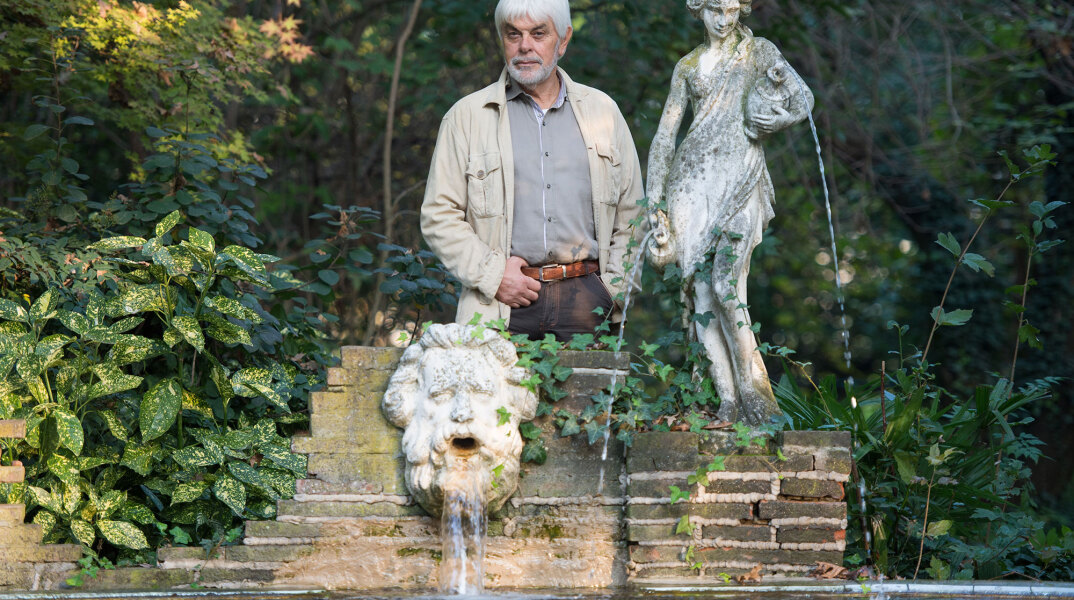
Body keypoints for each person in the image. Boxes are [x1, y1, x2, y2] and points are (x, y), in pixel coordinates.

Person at [420, 0, 644, 341]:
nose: (525, 46)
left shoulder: (603, 113)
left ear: (563, 40)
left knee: (592, 380)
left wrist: (612, 290)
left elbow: (633, 214)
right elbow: (439, 216)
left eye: (538, 34)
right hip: (500, 303)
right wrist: (494, 276)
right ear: (502, 40)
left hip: (587, 302)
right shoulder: (466, 117)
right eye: (514, 34)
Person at [646, 0, 813, 425]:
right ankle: (727, 399)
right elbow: (665, 136)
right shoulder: (688, 66)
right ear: (697, 9)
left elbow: (803, 99)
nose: (724, 20)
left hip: (740, 178)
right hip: (691, 185)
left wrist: (777, 121)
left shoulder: (759, 52)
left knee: (724, 284)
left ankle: (756, 395)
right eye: (714, 10)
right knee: (701, 293)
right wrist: (655, 204)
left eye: (732, 9)